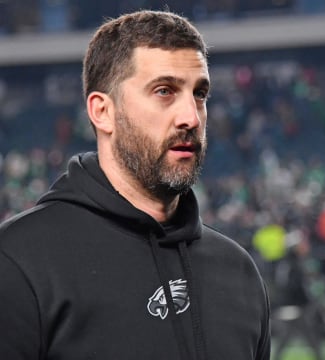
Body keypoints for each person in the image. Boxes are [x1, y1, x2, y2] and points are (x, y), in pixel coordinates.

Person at [0, 10, 270, 360]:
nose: (191, 116)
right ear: (102, 112)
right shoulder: (19, 262)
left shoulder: (238, 272)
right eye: (164, 91)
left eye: (199, 94)